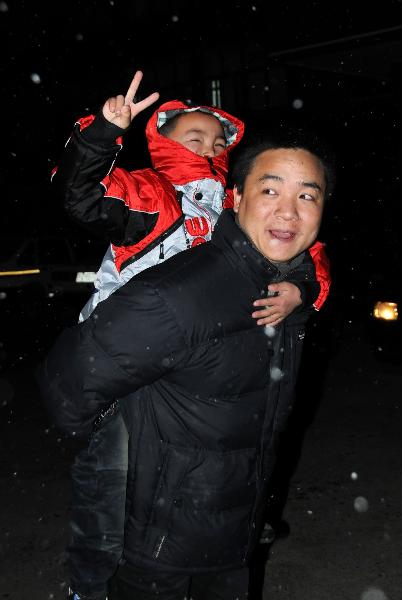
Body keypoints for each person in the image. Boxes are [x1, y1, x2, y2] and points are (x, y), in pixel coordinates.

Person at [38, 126, 336, 600]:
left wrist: (303, 294)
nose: (288, 210)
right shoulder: (164, 227)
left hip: (232, 534)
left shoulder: (275, 277)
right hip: (161, 551)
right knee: (102, 511)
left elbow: (309, 260)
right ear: (240, 197)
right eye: (271, 190)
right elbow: (69, 382)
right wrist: (102, 135)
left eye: (308, 196)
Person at [51, 71, 331, 326]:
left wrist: (302, 291)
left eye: (219, 144)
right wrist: (103, 132)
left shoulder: (234, 206)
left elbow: (301, 248)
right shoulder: (152, 193)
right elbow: (80, 192)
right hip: (126, 341)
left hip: (202, 352)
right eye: (196, 140)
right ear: (166, 144)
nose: (209, 150)